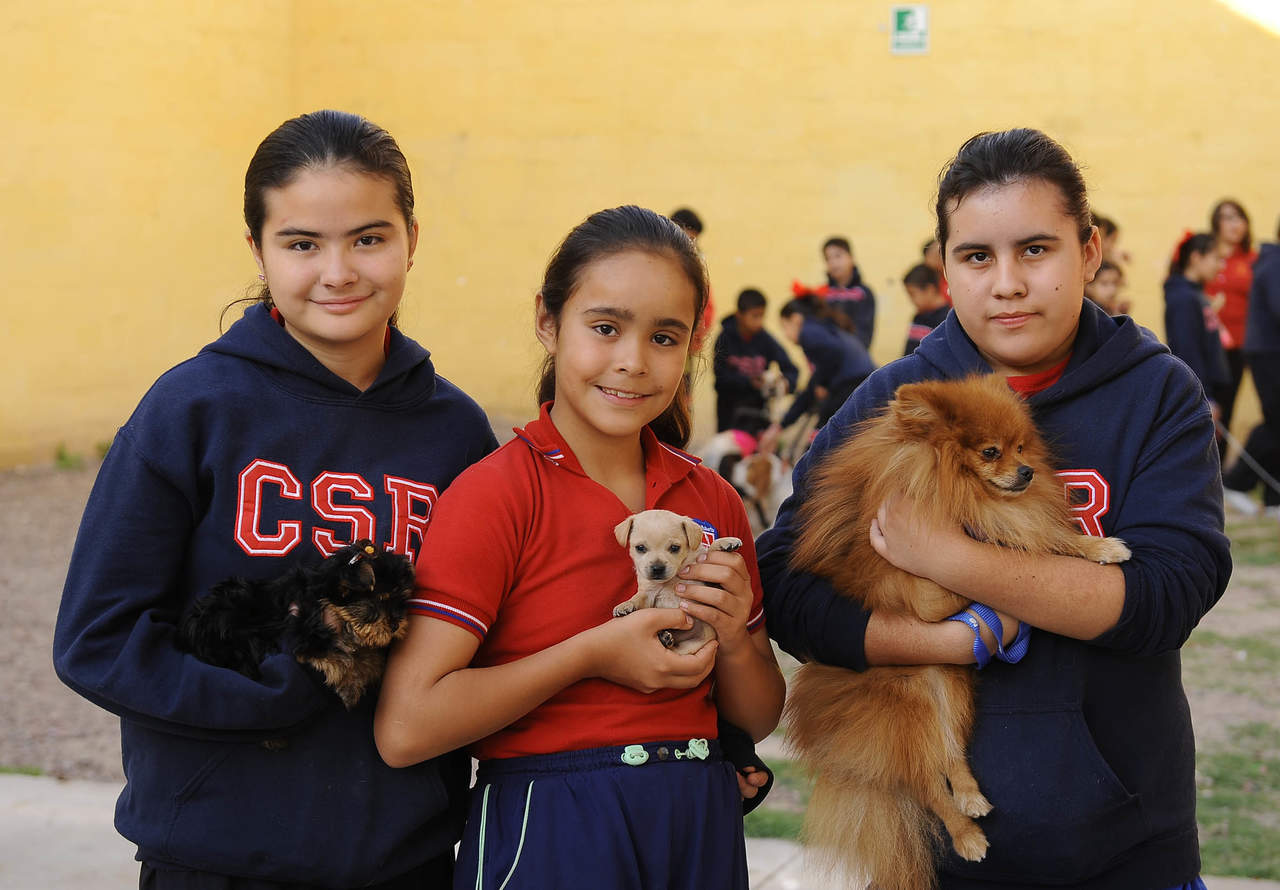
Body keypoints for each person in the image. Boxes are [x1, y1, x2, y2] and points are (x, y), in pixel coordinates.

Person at [758, 128, 1231, 890]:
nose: (1007, 283)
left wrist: (951, 559)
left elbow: (1167, 596)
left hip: (1125, 858)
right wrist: (942, 642)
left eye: (1035, 250)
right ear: (945, 268)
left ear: (1090, 251)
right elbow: (784, 584)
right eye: (977, 256)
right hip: (939, 861)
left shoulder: (1157, 392)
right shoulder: (896, 400)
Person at [51, 110, 498, 889]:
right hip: (217, 859)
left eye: (369, 238)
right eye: (302, 244)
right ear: (257, 249)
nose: (339, 272)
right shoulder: (192, 410)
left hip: (405, 861)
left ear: (412, 239)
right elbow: (98, 638)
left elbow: (493, 638)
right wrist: (271, 696)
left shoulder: (455, 433)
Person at [374, 205, 785, 889]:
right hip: (550, 821)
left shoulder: (710, 502)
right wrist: (591, 654)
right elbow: (406, 727)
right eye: (605, 327)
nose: (632, 361)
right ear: (548, 320)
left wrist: (737, 640)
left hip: (698, 818)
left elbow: (759, 715)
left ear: (693, 346)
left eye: (664, 337)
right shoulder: (497, 494)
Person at [757, 297, 876, 455]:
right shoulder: (825, 329)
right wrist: (781, 425)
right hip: (862, 387)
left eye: (784, 327)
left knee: (817, 451)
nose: (786, 335)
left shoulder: (808, 332)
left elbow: (829, 359)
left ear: (796, 319)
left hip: (850, 386)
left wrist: (822, 383)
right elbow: (812, 387)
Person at [1222, 216, 1280, 517]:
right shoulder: (1274, 263)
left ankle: (1273, 497)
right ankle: (1236, 482)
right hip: (1269, 353)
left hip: (1268, 351)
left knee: (1275, 421)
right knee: (1275, 420)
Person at [1164, 232, 1229, 430]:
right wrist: (1205, 396)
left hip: (1213, 388)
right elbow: (1187, 349)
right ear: (1195, 257)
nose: (1220, 266)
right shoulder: (1183, 298)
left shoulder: (1195, 294)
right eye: (1216, 258)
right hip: (1203, 392)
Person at [1206, 199, 1258, 443]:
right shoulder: (1205, 254)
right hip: (1206, 345)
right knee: (1201, 406)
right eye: (1228, 217)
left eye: (1240, 217)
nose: (1235, 224)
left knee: (1226, 410)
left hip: (1237, 346)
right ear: (1216, 223)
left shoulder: (1252, 260)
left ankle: (1221, 464)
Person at [712, 287, 800, 433]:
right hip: (729, 415)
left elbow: (791, 369)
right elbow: (719, 380)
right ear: (739, 315)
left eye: (762, 316)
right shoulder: (724, 339)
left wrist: (784, 384)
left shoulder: (766, 339)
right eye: (754, 316)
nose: (759, 321)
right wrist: (749, 382)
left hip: (758, 415)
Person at [822, 235, 877, 348]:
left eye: (838, 256)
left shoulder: (863, 293)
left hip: (854, 354)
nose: (833, 262)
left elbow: (864, 333)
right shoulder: (824, 294)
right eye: (828, 258)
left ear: (851, 258)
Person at [902, 262, 950, 355]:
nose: (910, 299)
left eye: (912, 294)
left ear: (930, 290)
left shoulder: (946, 320)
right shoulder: (918, 317)